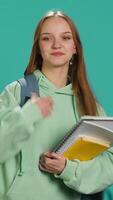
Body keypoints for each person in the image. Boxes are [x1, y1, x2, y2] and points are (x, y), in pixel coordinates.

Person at [0, 10, 112, 200]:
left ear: (75, 47)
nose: (57, 45)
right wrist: (28, 114)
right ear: (38, 48)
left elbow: (109, 164)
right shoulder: (17, 92)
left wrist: (68, 169)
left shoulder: (88, 104)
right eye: (47, 38)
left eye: (66, 37)